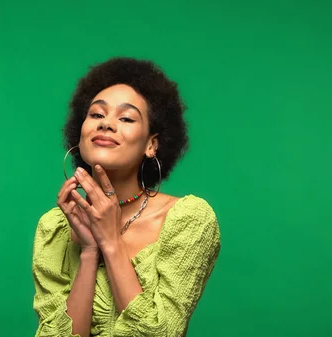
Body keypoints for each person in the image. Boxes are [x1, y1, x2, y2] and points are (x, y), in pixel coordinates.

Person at [31, 57, 221, 337]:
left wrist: (110, 242)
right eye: (96, 114)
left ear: (151, 144)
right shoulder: (54, 228)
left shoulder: (189, 219)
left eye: (126, 118)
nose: (106, 124)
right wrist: (88, 252)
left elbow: (162, 333)